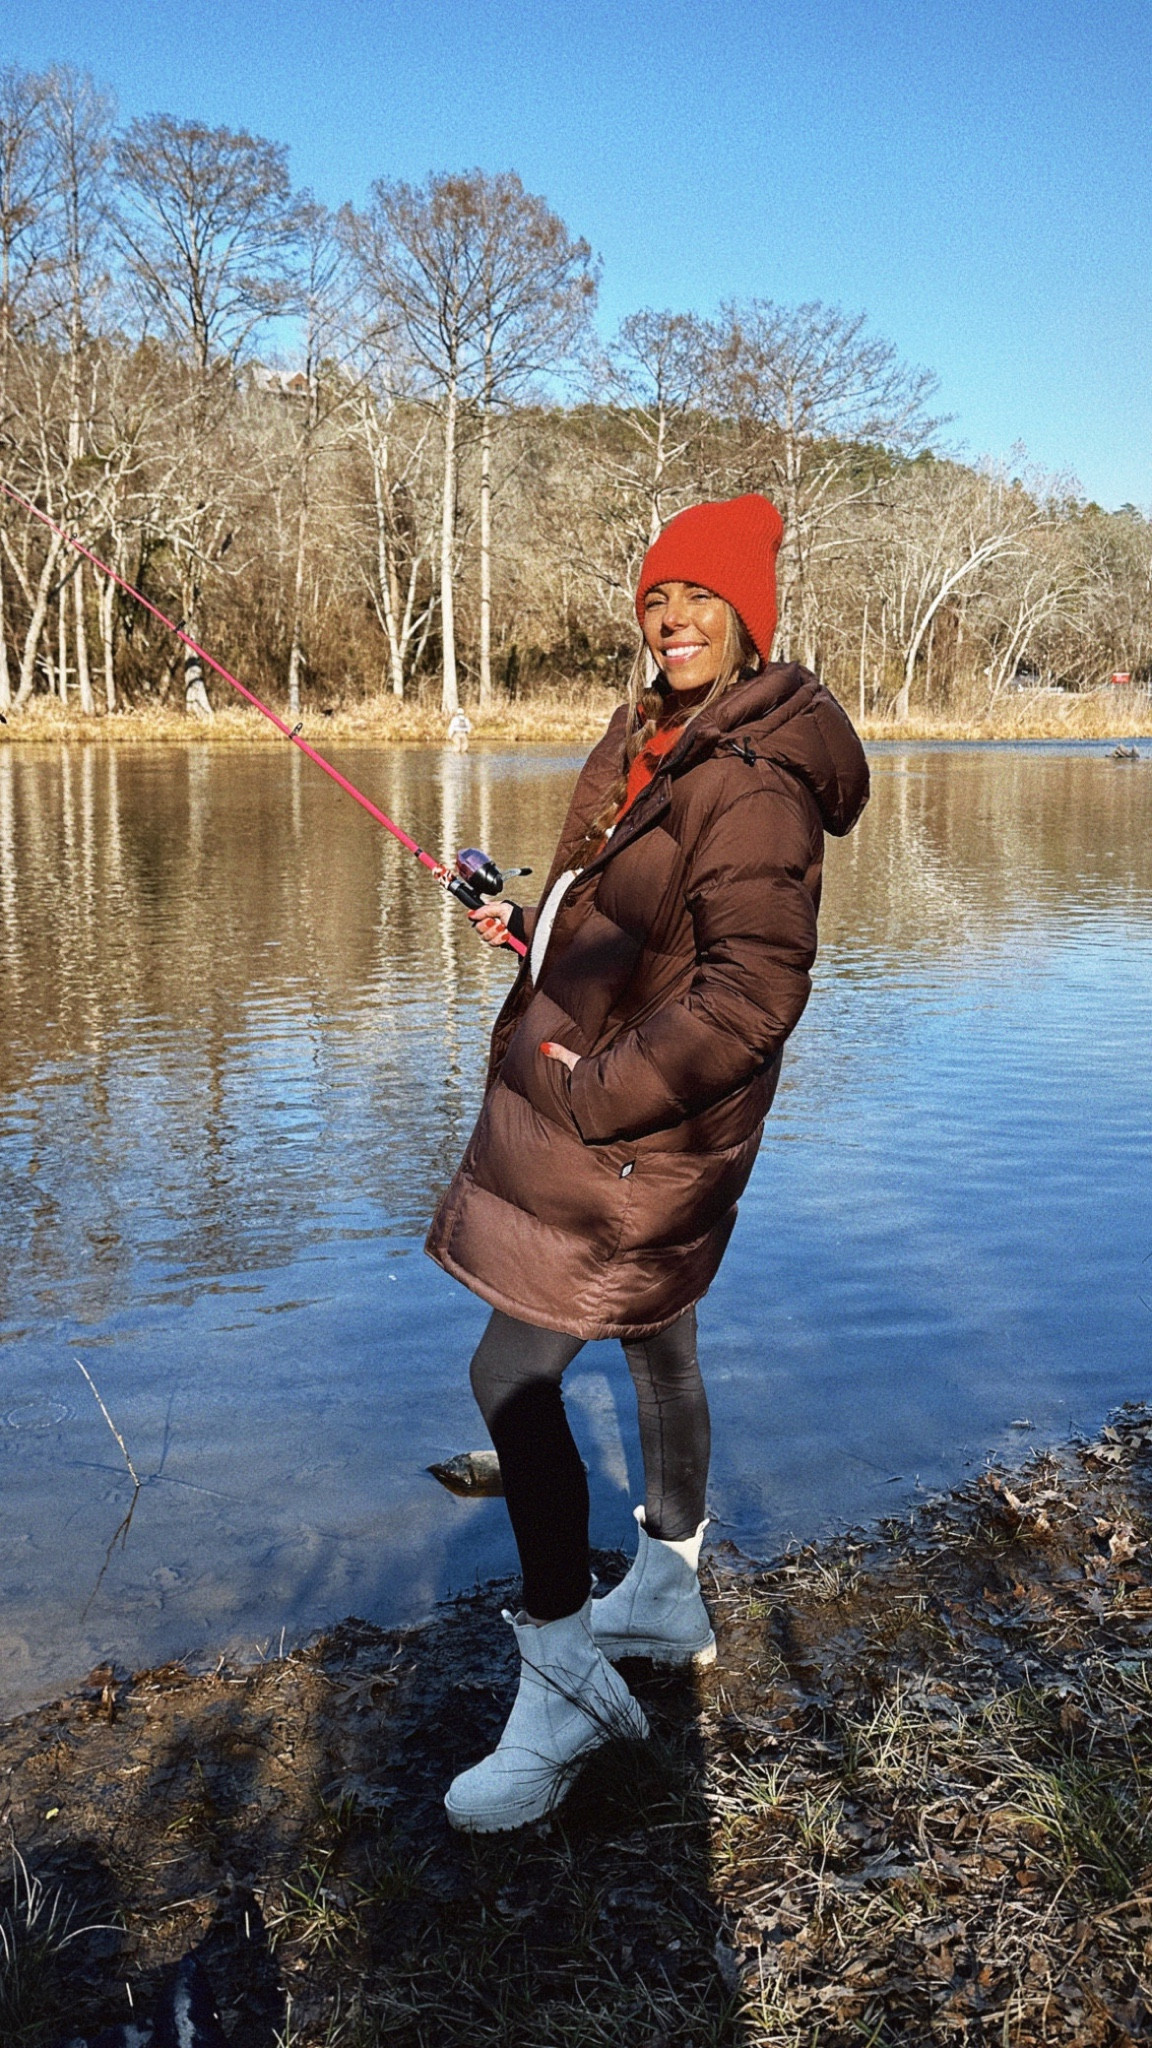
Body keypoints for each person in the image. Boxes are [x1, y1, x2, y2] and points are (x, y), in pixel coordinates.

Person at [425, 494, 870, 1832]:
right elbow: (640, 925)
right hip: (642, 1122)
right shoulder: (659, 737)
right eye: (656, 592)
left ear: (750, 618)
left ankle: (563, 1679)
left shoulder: (754, 778)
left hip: (639, 1133)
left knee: (508, 1371)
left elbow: (748, 993)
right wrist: (524, 916)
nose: (670, 614)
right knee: (658, 1335)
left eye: (700, 594)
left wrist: (601, 1094)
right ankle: (668, 1594)